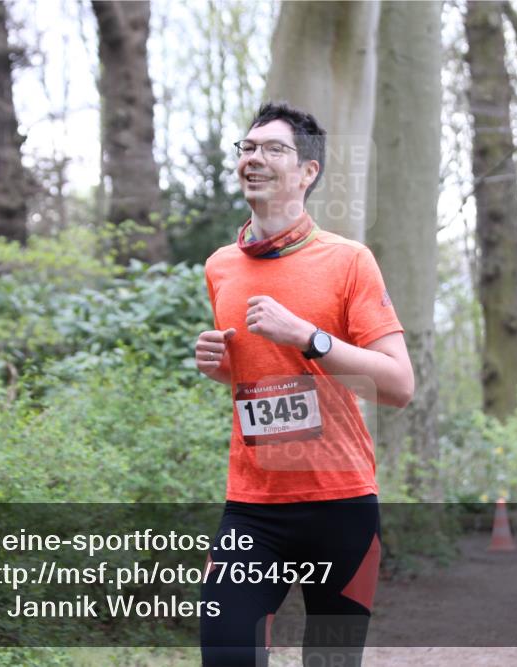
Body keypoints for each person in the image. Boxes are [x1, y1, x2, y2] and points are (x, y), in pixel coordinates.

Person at [194, 101, 414, 667]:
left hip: (341, 505)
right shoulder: (221, 267)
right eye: (247, 148)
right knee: (227, 656)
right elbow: (263, 388)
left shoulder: (348, 261)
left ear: (308, 172)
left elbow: (396, 385)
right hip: (253, 506)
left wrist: (308, 337)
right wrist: (224, 368)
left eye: (272, 149)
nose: (254, 159)